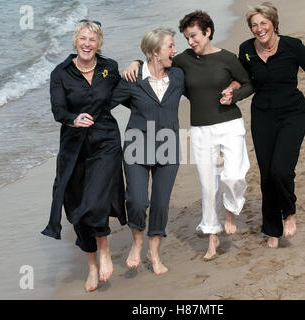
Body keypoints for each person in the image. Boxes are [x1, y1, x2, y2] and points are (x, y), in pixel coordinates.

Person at [124, 11, 253, 261]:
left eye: (193, 35)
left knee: (235, 175)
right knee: (207, 185)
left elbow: (247, 82)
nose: (190, 41)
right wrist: (135, 64)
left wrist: (233, 93)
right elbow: (155, 61)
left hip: (229, 123)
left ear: (208, 31)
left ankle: (230, 209)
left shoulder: (227, 58)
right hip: (200, 129)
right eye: (186, 37)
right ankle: (212, 237)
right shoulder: (182, 61)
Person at [238, 2, 305, 248]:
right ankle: (272, 230)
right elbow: (242, 80)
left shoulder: (292, 46)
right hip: (262, 116)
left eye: (263, 23)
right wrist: (230, 91)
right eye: (254, 25)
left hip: (292, 114)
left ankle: (289, 212)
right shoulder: (246, 50)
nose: (259, 28)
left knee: (281, 170)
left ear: (273, 23)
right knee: (266, 174)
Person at [41, 20, 126, 292]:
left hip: (106, 142)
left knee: (95, 200)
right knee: (76, 208)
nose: (87, 44)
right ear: (75, 41)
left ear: (99, 43)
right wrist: (73, 119)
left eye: (92, 39)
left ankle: (104, 248)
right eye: (83, 38)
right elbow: (58, 111)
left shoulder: (109, 68)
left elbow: (126, 90)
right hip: (73, 147)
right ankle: (91, 265)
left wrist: (136, 62)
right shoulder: (60, 73)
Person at [110, 28, 184, 275]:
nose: (175, 50)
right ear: (155, 51)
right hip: (136, 145)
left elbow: (203, 63)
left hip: (168, 146)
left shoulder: (178, 75)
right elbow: (103, 102)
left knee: (161, 204)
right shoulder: (133, 79)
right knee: (137, 200)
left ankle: (154, 254)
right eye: (170, 46)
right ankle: (137, 243)